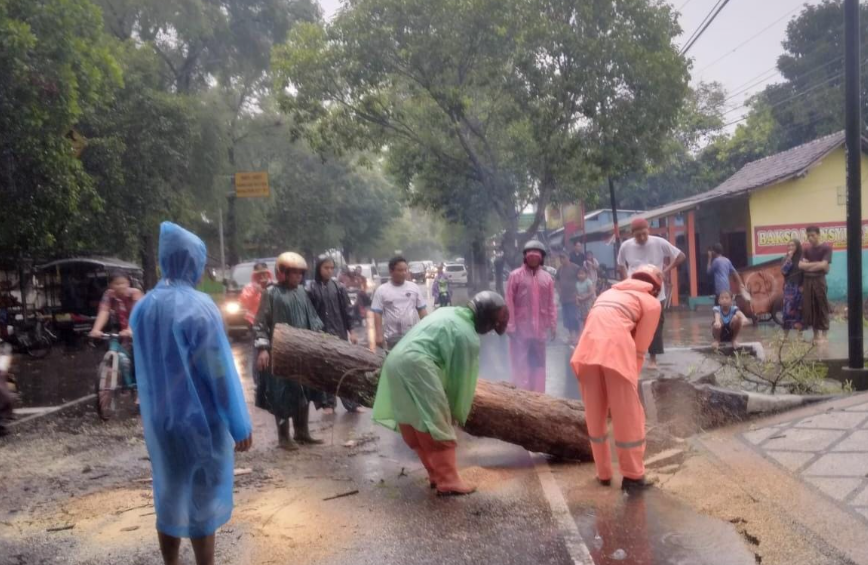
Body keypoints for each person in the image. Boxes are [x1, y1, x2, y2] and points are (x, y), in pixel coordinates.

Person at [130, 222, 252, 565]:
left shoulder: (144, 308)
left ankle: (171, 563)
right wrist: (239, 423)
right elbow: (218, 372)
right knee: (202, 496)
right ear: (192, 261)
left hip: (161, 421)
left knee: (168, 492)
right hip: (200, 421)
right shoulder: (199, 308)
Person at [372, 291, 510, 496]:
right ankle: (449, 480)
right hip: (417, 364)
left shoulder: (449, 312)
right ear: (486, 319)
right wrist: (455, 414)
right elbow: (460, 381)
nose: (489, 330)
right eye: (492, 325)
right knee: (437, 422)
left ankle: (436, 474)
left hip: (394, 361)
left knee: (413, 420)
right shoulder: (467, 335)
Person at [570, 264, 663, 491]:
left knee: (595, 413)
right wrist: (631, 377)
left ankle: (603, 473)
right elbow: (641, 347)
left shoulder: (608, 293)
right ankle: (633, 477)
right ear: (654, 287)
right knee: (628, 416)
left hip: (586, 351)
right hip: (616, 354)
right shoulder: (651, 303)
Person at [254, 252, 327, 450]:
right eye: (294, 273)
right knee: (282, 393)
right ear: (283, 273)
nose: (298, 277)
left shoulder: (302, 292)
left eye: (300, 274)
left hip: (301, 351)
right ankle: (284, 437)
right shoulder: (271, 293)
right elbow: (260, 323)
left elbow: (312, 318)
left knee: (303, 390)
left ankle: (302, 432)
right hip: (280, 351)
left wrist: (320, 339)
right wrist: (263, 349)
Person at [617, 218, 685, 369]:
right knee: (632, 323)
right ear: (632, 233)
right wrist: (626, 282)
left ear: (649, 230)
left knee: (655, 325)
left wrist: (665, 271)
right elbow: (620, 265)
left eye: (644, 234)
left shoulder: (658, 242)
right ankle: (632, 356)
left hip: (655, 293)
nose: (641, 238)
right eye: (638, 235)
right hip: (634, 292)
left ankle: (653, 358)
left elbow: (681, 256)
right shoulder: (626, 246)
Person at [307, 255, 361, 415]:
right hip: (321, 335)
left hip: (339, 333)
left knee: (344, 368)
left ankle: (351, 403)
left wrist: (352, 331)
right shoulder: (311, 289)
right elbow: (309, 314)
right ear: (319, 268)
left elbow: (347, 311)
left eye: (331, 268)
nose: (329, 271)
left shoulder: (339, 287)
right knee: (325, 370)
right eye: (326, 268)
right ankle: (328, 403)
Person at [506, 240, 557, 392]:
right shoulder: (515, 276)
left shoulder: (547, 278)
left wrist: (553, 324)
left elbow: (550, 303)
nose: (534, 258)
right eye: (531, 255)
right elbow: (509, 301)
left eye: (537, 256)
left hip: (540, 330)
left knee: (539, 364)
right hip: (520, 331)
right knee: (520, 364)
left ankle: (538, 396)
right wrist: (510, 325)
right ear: (525, 257)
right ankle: (522, 396)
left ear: (541, 258)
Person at [371, 256, 428, 350]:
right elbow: (377, 313)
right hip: (392, 338)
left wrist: (428, 331)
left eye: (406, 270)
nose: (404, 273)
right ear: (391, 271)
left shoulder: (414, 288)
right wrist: (378, 335)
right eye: (400, 270)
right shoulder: (382, 290)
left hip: (412, 336)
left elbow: (422, 310)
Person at [800, 226, 832, 344]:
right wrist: (817, 265)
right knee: (810, 307)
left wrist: (809, 266)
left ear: (818, 234)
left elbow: (824, 266)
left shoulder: (826, 248)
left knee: (822, 306)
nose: (810, 238)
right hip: (807, 281)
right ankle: (816, 335)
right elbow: (800, 265)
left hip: (819, 280)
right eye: (808, 236)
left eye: (813, 235)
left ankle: (824, 336)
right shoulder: (806, 250)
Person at [89, 271, 144, 339]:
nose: (120, 286)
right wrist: (96, 329)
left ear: (128, 284)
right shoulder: (109, 294)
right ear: (110, 285)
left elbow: (136, 312)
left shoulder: (135, 293)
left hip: (140, 324)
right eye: (117, 284)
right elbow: (104, 312)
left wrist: (130, 329)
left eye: (123, 283)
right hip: (122, 327)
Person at [555, 253, 581, 344]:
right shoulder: (560, 269)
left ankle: (578, 336)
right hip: (564, 297)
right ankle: (571, 335)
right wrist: (559, 290)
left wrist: (579, 292)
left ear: (568, 258)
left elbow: (582, 278)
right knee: (567, 318)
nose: (562, 260)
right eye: (561, 258)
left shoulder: (575, 267)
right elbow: (556, 280)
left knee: (574, 317)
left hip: (573, 297)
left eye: (563, 258)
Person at [781, 239, 804, 338]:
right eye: (789, 246)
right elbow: (784, 272)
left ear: (797, 246)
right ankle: (785, 336)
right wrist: (789, 258)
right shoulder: (785, 258)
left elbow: (805, 272)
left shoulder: (802, 258)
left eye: (793, 246)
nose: (790, 248)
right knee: (787, 312)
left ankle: (800, 336)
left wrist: (803, 286)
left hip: (799, 288)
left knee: (799, 311)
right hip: (789, 289)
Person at [238, 262, 272, 327]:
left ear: (268, 274)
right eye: (259, 274)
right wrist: (255, 292)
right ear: (254, 275)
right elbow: (245, 303)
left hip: (270, 321)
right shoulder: (249, 288)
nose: (262, 276)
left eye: (264, 273)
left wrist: (264, 292)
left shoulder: (273, 286)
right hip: (253, 321)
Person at [575, 266, 596, 339]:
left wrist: (584, 298)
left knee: (589, 317)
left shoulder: (588, 281)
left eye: (582, 273)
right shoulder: (577, 283)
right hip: (581, 302)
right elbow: (576, 293)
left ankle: (592, 331)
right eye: (579, 274)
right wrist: (577, 300)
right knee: (582, 318)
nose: (580, 275)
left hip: (588, 302)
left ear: (586, 274)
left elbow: (591, 292)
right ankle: (586, 332)